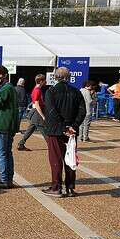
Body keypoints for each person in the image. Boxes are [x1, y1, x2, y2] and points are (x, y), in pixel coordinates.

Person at [42, 67, 86, 198]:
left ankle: (56, 187)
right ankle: (70, 188)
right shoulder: (76, 91)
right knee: (70, 158)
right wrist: (73, 125)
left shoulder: (51, 91)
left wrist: (63, 127)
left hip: (56, 130)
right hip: (71, 131)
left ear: (55, 77)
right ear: (69, 77)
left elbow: (51, 111)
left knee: (56, 159)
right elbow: (82, 111)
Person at [0, 65, 19, 189]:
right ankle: (8, 179)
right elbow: (5, 106)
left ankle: (3, 180)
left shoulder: (5, 89)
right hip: (8, 125)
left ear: (5, 75)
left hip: (2, 126)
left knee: (1, 154)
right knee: (7, 153)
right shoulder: (10, 88)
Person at [17, 74, 47, 151]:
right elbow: (36, 104)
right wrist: (43, 116)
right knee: (44, 130)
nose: (45, 82)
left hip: (34, 113)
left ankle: (21, 144)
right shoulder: (37, 90)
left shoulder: (36, 89)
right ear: (40, 81)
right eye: (44, 80)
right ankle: (52, 146)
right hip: (37, 113)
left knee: (30, 129)